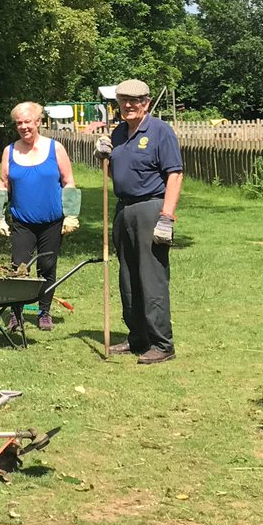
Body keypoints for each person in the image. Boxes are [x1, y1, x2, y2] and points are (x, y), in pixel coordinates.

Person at [94, 79, 184, 365]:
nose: (129, 106)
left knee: (151, 277)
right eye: (124, 101)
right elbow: (119, 176)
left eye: (135, 101)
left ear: (146, 102)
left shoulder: (160, 131)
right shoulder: (119, 132)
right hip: (124, 210)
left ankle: (162, 343)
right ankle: (138, 338)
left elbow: (175, 174)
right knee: (128, 279)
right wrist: (104, 158)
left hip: (150, 210)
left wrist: (166, 217)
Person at [0, 101, 80, 333]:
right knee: (18, 267)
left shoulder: (55, 148)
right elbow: (3, 185)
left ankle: (44, 312)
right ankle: (15, 314)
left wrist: (71, 215)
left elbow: (68, 181)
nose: (23, 127)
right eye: (19, 123)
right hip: (23, 222)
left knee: (47, 266)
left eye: (27, 121)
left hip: (52, 221)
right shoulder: (9, 151)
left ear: (38, 122)